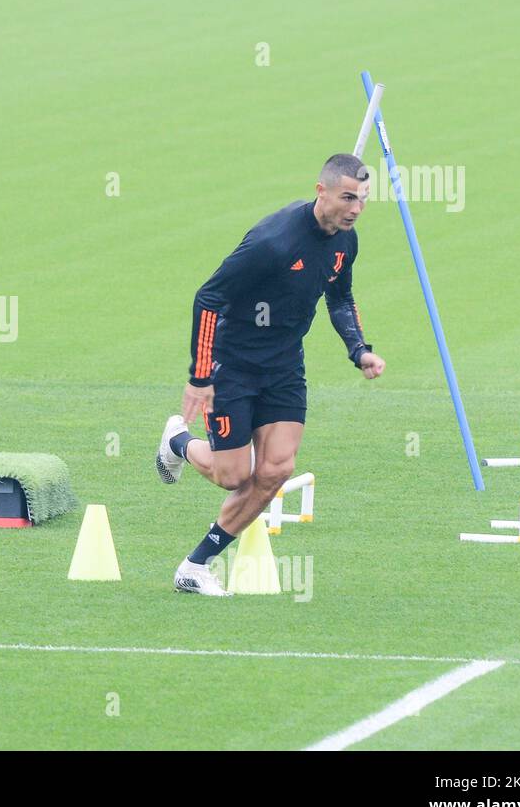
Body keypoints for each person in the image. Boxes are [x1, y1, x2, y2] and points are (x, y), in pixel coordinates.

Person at [157, 154, 386, 596]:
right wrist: (200, 375)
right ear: (321, 191)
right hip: (235, 365)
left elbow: (340, 298)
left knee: (278, 468)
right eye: (347, 198)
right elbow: (208, 297)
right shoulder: (272, 241)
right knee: (233, 477)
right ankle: (178, 442)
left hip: (284, 366)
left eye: (362, 199)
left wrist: (359, 350)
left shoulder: (346, 241)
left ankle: (195, 565)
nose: (356, 208)